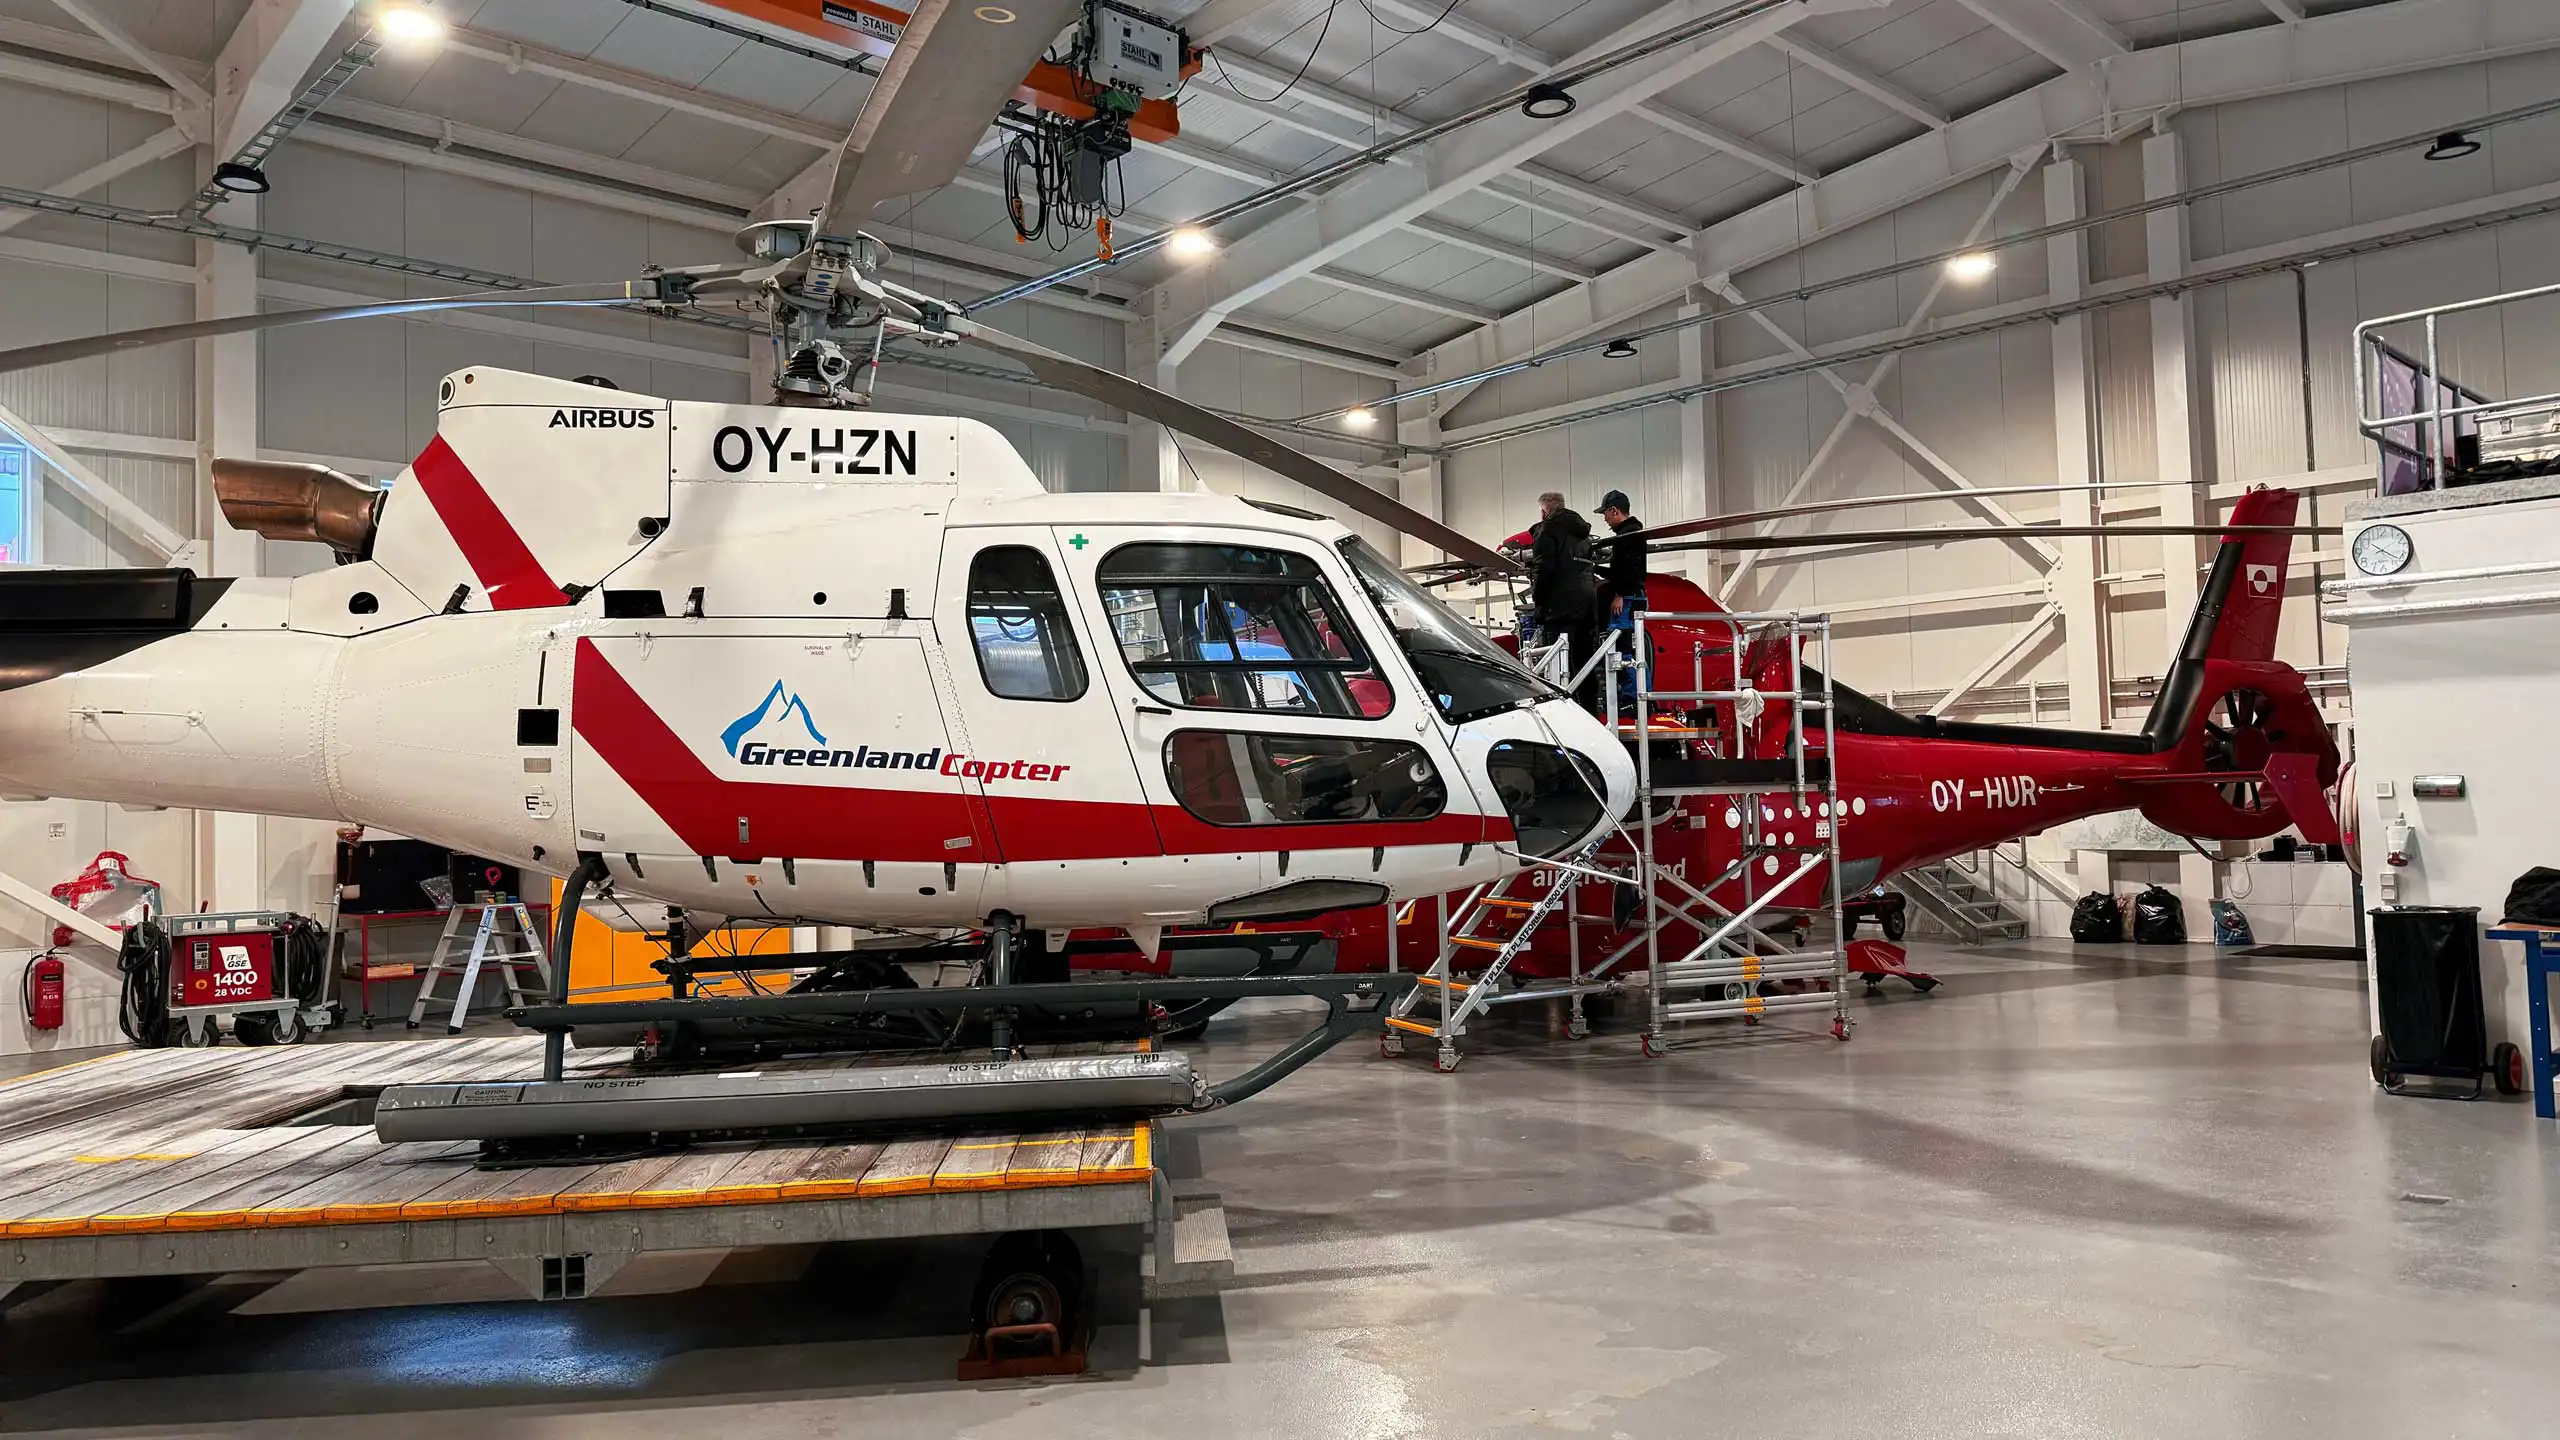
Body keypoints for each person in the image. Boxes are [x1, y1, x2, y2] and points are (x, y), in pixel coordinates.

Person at [1528, 491, 1600, 708]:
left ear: (1543, 511)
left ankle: (1562, 712)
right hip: (1587, 609)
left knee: (1557, 666)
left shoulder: (1546, 530)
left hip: (1558, 609)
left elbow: (1544, 569)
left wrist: (1539, 605)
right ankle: (1589, 712)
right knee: (1585, 664)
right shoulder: (1583, 534)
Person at [1594, 489, 1648, 708]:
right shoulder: (1631, 534)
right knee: (1629, 649)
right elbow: (1620, 572)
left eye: (1605, 513)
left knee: (1625, 650)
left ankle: (1632, 698)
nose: (1605, 519)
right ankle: (1634, 696)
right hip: (1633, 597)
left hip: (1628, 600)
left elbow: (1628, 571)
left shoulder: (1627, 536)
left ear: (1614, 511)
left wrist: (1619, 595)